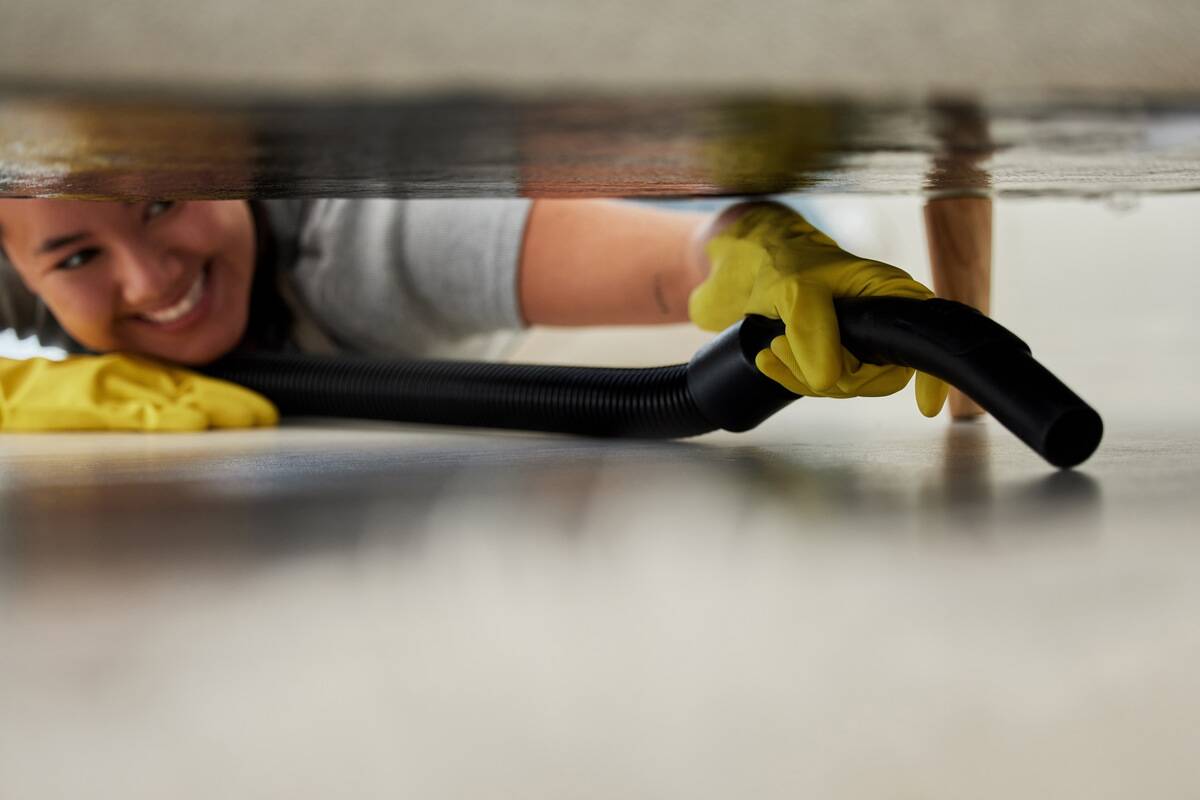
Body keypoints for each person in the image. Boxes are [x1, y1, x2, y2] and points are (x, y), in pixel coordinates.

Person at [0, 198, 947, 431]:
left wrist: (761, 263)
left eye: (164, 204)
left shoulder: (366, 247)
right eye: (75, 258)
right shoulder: (22, 258)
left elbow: (673, 272)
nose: (143, 278)